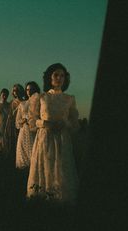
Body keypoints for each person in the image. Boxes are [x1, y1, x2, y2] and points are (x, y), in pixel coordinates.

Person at [27, 63, 79, 202]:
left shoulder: (69, 99)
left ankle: (59, 197)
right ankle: (41, 195)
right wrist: (45, 123)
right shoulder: (41, 97)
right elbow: (32, 120)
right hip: (45, 138)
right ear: (49, 77)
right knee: (44, 166)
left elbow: (74, 123)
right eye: (56, 75)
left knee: (60, 168)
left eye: (62, 75)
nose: (59, 78)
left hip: (62, 140)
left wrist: (65, 123)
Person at [15, 81, 40, 169]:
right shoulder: (22, 104)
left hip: (35, 130)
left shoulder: (39, 102)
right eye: (27, 89)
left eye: (31, 89)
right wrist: (24, 120)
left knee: (34, 152)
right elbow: (17, 121)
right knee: (22, 152)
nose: (29, 91)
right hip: (24, 130)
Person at [4, 84, 25, 157]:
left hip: (22, 124)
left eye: (16, 90)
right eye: (13, 90)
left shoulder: (25, 101)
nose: (14, 92)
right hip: (12, 124)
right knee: (12, 141)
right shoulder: (12, 102)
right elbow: (9, 115)